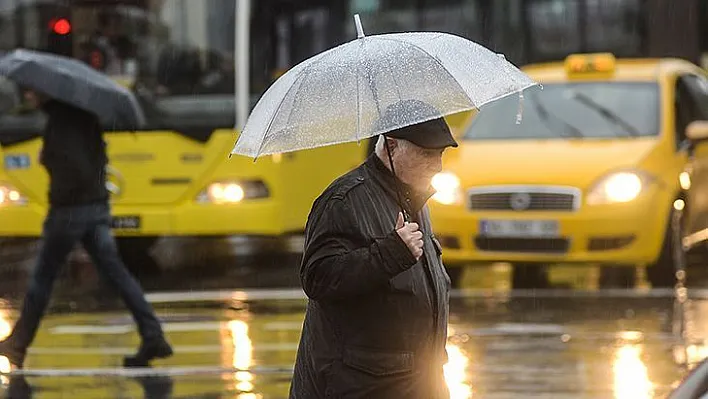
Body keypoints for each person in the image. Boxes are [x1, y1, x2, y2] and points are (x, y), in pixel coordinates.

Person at [289, 100, 457, 398]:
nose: (438, 165)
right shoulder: (343, 200)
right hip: (360, 387)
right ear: (391, 146)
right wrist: (389, 254)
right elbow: (318, 277)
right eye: (427, 154)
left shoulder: (413, 198)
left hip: (417, 383)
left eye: (440, 154)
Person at [0, 91, 173, 369]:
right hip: (95, 208)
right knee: (118, 275)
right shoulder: (84, 115)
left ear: (48, 90)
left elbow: (76, 170)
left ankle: (18, 344)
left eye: (31, 90)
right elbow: (94, 161)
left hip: (69, 213)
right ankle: (153, 335)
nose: (27, 94)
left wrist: (48, 160)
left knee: (43, 279)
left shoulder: (62, 121)